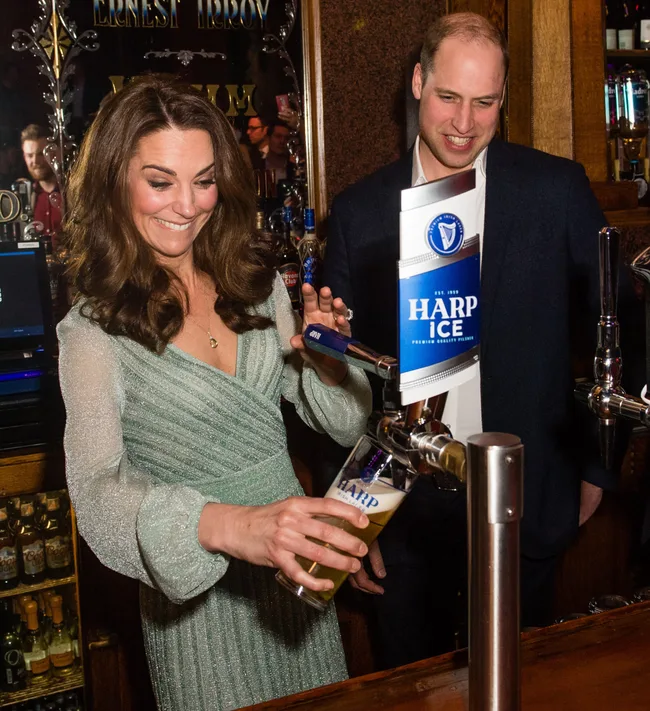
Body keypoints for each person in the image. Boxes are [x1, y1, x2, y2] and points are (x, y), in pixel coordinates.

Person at [57, 76, 373, 711]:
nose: (187, 205)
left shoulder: (255, 285)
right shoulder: (90, 331)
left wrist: (329, 365)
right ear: (116, 179)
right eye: (160, 181)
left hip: (295, 581)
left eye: (203, 180)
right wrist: (234, 527)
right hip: (199, 609)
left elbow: (345, 424)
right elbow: (94, 494)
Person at [323, 11, 623, 669]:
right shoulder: (359, 213)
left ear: (504, 97)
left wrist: (599, 459)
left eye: (485, 102)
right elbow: (336, 379)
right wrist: (351, 514)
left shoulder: (556, 190)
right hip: (401, 520)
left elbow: (619, 322)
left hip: (525, 505)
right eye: (449, 97)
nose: (464, 122)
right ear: (417, 83)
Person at [20, 124, 62, 247]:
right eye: (29, 155)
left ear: (55, 154)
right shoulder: (24, 198)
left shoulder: (73, 194)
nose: (35, 161)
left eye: (40, 154)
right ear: (24, 157)